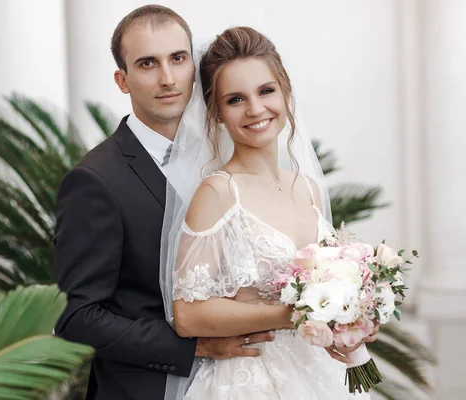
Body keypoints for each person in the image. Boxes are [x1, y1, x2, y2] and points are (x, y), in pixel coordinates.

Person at [53, 6, 273, 400]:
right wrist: (195, 348)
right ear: (123, 79)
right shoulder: (95, 180)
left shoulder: (229, 153)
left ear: (195, 65)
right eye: (147, 63)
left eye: (178, 59)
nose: (168, 78)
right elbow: (76, 316)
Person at [160, 26, 378, 399]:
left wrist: (351, 315)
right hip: (250, 378)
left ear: (285, 91)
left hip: (318, 373)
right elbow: (188, 315)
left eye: (265, 91)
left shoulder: (305, 187)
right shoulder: (218, 192)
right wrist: (298, 314)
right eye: (235, 99)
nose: (256, 109)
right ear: (216, 113)